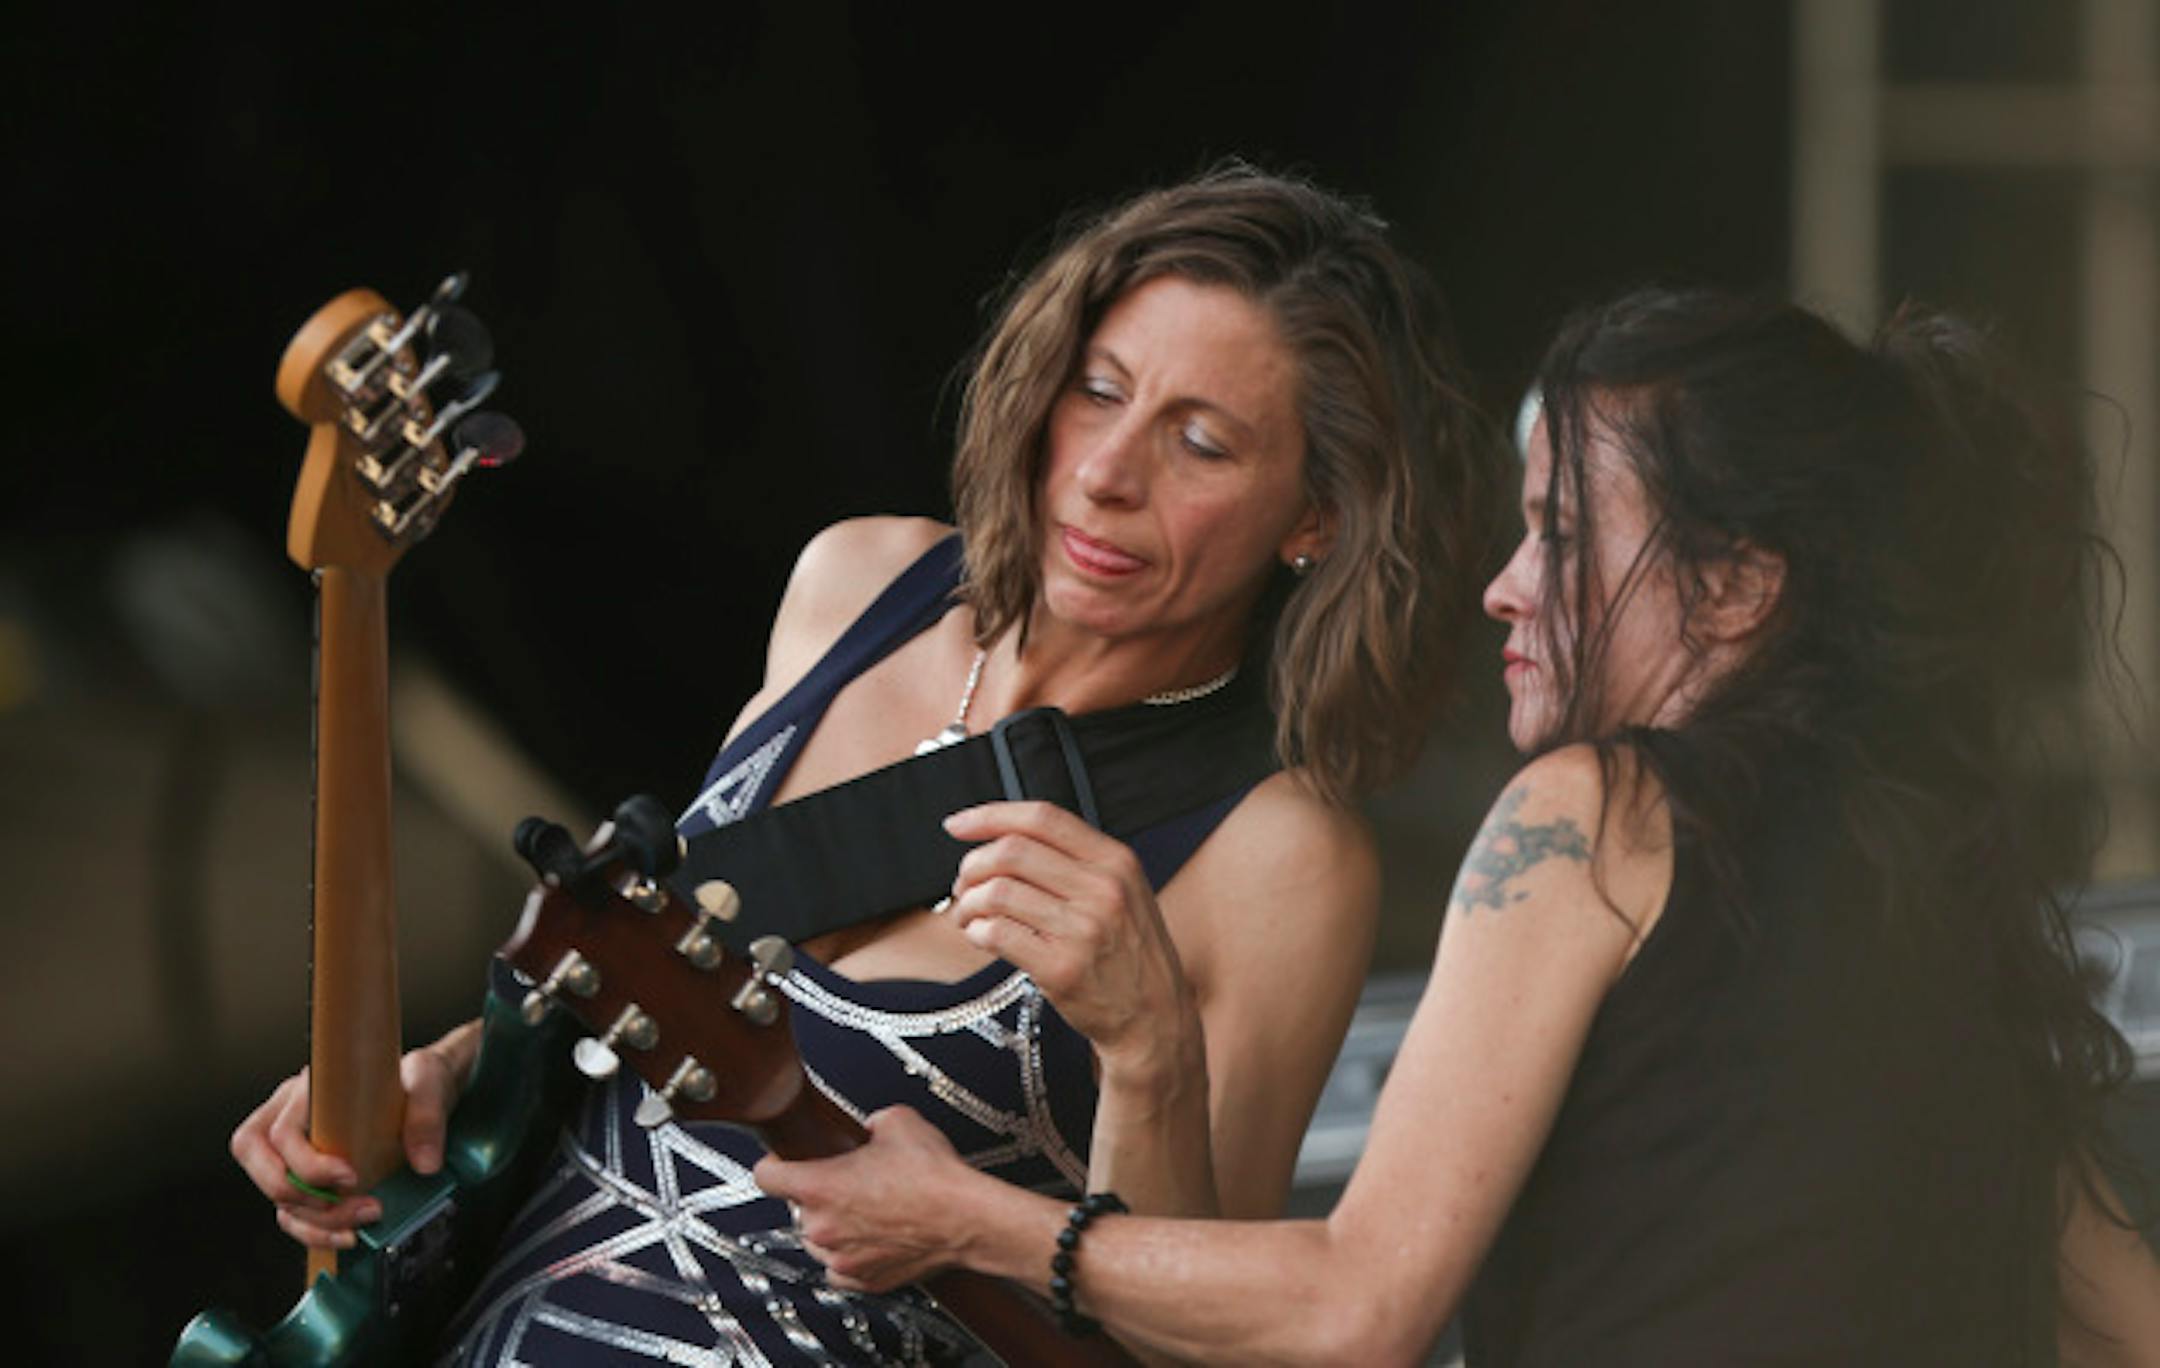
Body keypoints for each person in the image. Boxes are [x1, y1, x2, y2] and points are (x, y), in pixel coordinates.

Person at [226, 165, 1494, 1364]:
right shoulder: (858, 584)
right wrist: (458, 1072)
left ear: (1317, 517)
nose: (1108, 475)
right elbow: (661, 985)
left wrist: (1150, 1047)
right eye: (1099, 392)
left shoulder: (1280, 854)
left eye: (1201, 444)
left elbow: (1181, 1351)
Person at [759, 287, 2160, 1364]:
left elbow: (1360, 1310)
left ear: (1735, 591)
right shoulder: (1933, 901)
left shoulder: (1599, 815)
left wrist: (961, 1219)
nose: (1504, 587)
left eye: (1558, 535)